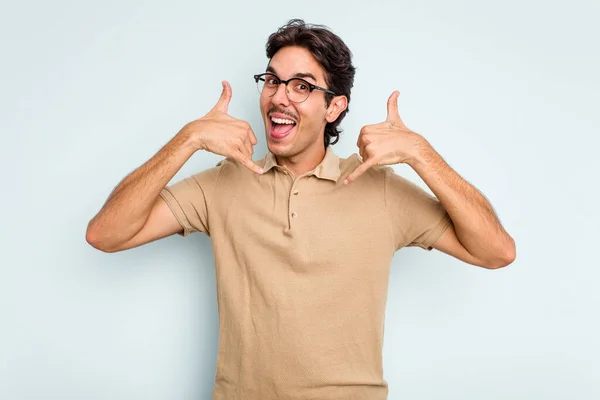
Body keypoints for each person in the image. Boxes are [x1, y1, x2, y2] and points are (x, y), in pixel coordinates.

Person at [86, 18, 515, 400]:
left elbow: (496, 251)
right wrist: (188, 140)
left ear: (334, 107)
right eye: (272, 81)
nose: (279, 97)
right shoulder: (224, 182)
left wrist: (422, 154)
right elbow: (106, 234)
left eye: (302, 86)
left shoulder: (379, 189)